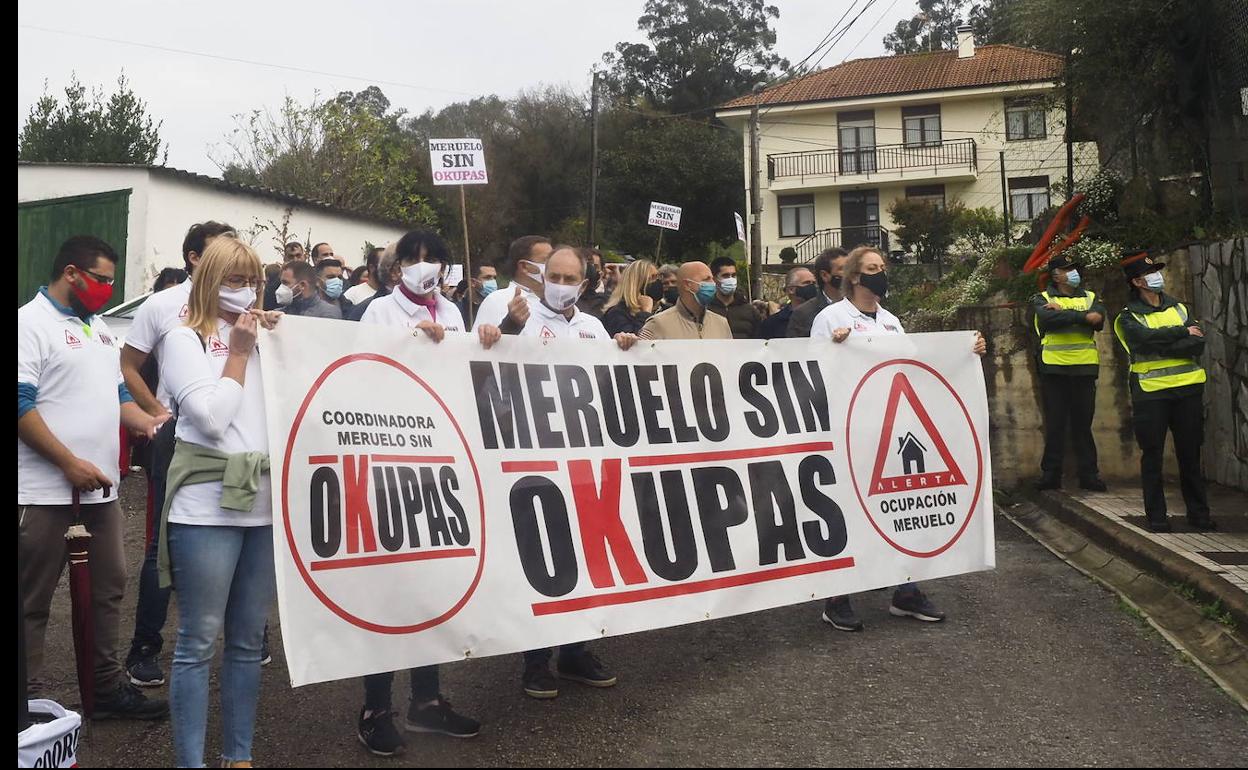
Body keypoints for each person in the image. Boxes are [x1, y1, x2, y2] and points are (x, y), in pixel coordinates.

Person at [353, 230, 493, 755]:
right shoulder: (378, 313)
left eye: (433, 259)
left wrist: (482, 343)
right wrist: (412, 345)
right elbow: (362, 376)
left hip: (440, 461)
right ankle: (375, 706)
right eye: (414, 259)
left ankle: (427, 701)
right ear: (396, 269)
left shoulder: (453, 313)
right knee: (389, 588)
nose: (424, 267)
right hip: (391, 460)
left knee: (432, 584)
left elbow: (463, 381)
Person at [19, 235, 168, 719]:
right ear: (71, 273)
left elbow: (119, 394)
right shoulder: (29, 324)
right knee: (30, 600)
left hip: (101, 493)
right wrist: (67, 462)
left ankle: (104, 690)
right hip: (42, 493)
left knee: (108, 590)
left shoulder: (100, 329)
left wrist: (152, 422)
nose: (107, 288)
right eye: (101, 279)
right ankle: (27, 703)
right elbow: (20, 405)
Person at [812, 245, 987, 631]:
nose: (880, 273)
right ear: (854, 276)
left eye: (883, 267)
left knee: (897, 508)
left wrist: (965, 351)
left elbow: (915, 365)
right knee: (849, 511)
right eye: (872, 268)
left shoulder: (891, 321)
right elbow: (812, 370)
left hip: (891, 429)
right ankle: (836, 597)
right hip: (850, 430)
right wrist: (832, 348)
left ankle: (906, 590)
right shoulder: (831, 318)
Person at [156, 237, 281, 767]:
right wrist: (240, 353)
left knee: (248, 641)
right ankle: (191, 762)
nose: (247, 290)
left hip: (264, 506)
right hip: (206, 508)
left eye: (253, 280)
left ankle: (239, 757)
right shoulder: (183, 339)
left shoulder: (270, 335)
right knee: (198, 641)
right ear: (209, 279)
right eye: (234, 280)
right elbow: (210, 419)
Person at [499, 245, 637, 699]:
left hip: (584, 460)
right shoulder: (520, 319)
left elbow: (611, 385)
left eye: (569, 278)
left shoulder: (593, 327)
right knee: (541, 557)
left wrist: (624, 349)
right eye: (553, 276)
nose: (560, 284)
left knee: (585, 555)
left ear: (584, 283)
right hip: (534, 460)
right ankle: (536, 660)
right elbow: (489, 372)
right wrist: (505, 330)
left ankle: (575, 650)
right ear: (541, 277)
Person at [120, 221, 237, 687]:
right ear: (194, 258)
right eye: (219, 255)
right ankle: (145, 648)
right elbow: (129, 365)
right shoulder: (164, 305)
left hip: (239, 436)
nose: (230, 266)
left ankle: (251, 635)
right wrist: (156, 412)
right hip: (181, 436)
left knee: (243, 528)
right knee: (162, 542)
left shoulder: (243, 305)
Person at [1113, 253, 1213, 532]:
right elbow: (1142, 341)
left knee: (1190, 455)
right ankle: (1157, 517)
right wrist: (1181, 333)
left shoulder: (1179, 308)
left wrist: (1167, 342)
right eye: (1150, 273)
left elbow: (1198, 343)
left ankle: (1199, 515)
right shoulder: (1127, 317)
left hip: (1188, 390)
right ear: (1136, 282)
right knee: (1153, 456)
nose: (1157, 276)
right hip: (1151, 393)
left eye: (1156, 271)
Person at [1031, 253, 1108, 492]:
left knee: (1083, 424)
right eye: (1067, 269)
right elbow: (1047, 319)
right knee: (1056, 424)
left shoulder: (1091, 296)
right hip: (1054, 368)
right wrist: (1083, 317)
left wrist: (1063, 312)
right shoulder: (1042, 298)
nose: (1074, 273)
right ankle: (1051, 475)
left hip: (1084, 368)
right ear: (1056, 276)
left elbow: (1099, 320)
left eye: (1074, 268)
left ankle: (1089, 475)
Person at [470, 235, 552, 333]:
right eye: (547, 261)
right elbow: (479, 341)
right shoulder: (496, 301)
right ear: (524, 266)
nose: (554, 266)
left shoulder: (555, 304)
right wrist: (510, 323)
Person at [638, 261, 733, 341]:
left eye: (712, 279)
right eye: (706, 279)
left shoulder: (722, 324)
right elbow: (638, 353)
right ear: (687, 285)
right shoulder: (657, 324)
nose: (713, 284)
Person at [787, 248, 848, 339]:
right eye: (843, 269)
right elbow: (796, 346)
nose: (850, 273)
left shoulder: (860, 306)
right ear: (825, 275)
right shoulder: (803, 314)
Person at [707, 256, 761, 339]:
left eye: (733, 275)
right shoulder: (706, 309)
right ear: (714, 279)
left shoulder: (750, 311)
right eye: (725, 276)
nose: (731, 279)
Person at [602, 259, 658, 336]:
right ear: (636, 283)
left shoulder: (660, 310)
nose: (657, 282)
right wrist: (645, 313)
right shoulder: (617, 313)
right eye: (652, 278)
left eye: (657, 278)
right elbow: (637, 340)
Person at [758, 266, 815, 340]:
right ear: (791, 289)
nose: (812, 286)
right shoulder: (773, 323)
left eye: (814, 283)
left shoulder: (821, 316)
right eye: (807, 283)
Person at [277, 260, 342, 319]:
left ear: (302, 285)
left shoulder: (328, 313)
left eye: (285, 283)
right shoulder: (279, 314)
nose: (281, 287)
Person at [576, 248, 608, 317]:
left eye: (595, 267)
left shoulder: (610, 300)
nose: (590, 271)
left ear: (602, 271)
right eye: (585, 267)